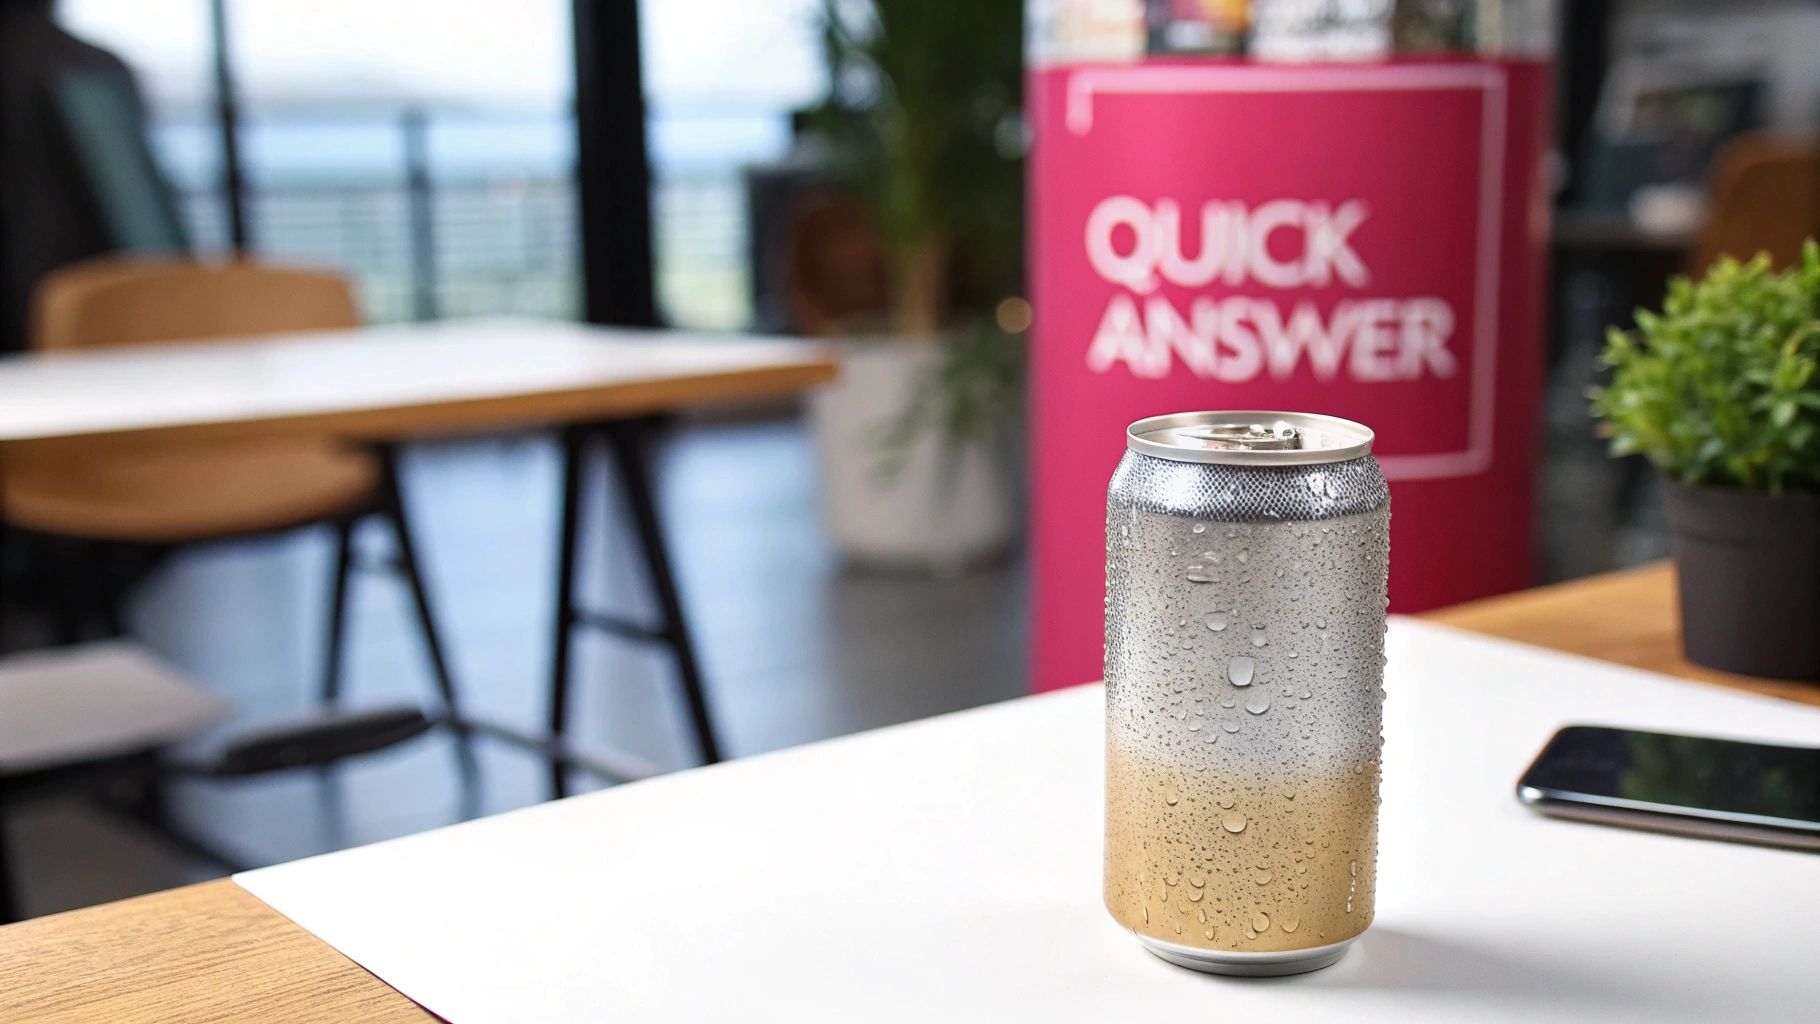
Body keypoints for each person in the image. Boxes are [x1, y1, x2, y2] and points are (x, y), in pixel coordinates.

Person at [0, 0, 187, 354]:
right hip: (115, 313)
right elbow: (145, 219)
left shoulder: (82, 69)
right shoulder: (89, 66)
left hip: (74, 309)